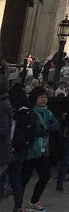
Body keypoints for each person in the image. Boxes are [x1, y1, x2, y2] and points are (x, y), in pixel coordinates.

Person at [21, 85, 60, 211]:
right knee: (24, 179)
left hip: (43, 151)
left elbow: (56, 125)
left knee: (45, 176)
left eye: (45, 97)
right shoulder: (31, 112)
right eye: (41, 97)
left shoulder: (47, 112)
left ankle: (34, 201)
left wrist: (45, 128)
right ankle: (18, 204)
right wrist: (44, 129)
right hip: (31, 151)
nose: (44, 99)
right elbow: (34, 131)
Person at [0, 70, 27, 212]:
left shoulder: (4, 105)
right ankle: (18, 206)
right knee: (14, 180)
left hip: (7, 150)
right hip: (13, 149)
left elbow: (4, 130)